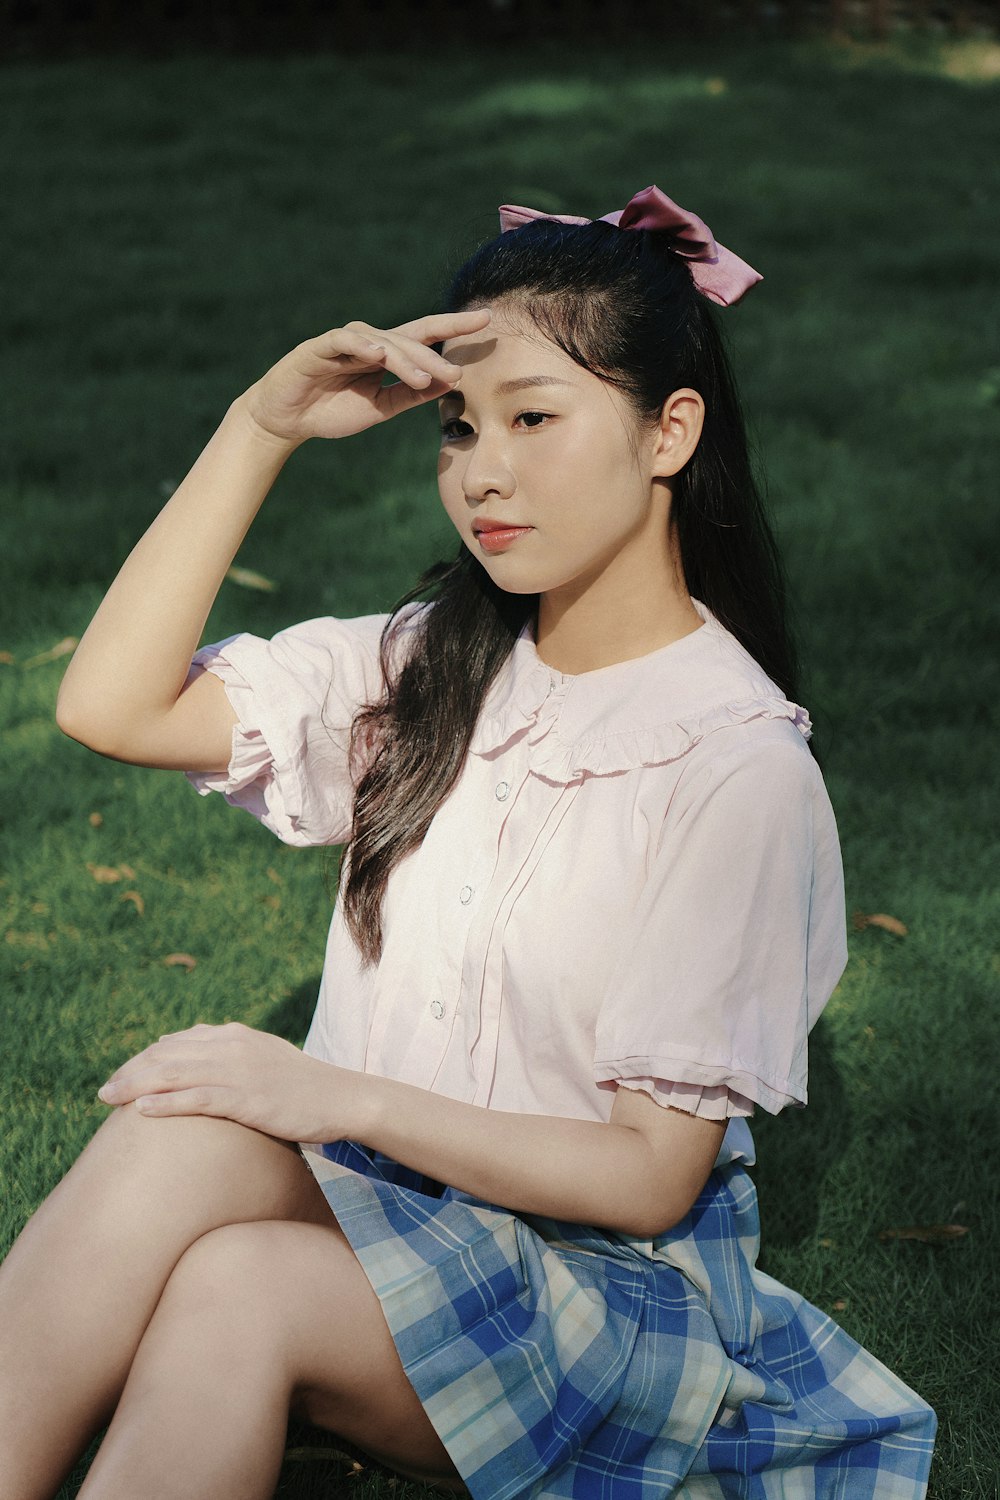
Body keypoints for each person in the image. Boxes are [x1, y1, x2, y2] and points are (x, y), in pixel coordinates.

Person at [0, 186, 937, 1500]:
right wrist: (258, 428)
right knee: (174, 1129)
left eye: (534, 420)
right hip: (398, 1212)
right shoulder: (427, 667)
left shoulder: (733, 764)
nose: (480, 472)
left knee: (243, 1286)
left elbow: (651, 1180)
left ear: (670, 434)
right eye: (457, 428)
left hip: (602, 1294)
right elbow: (110, 706)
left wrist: (336, 1099)